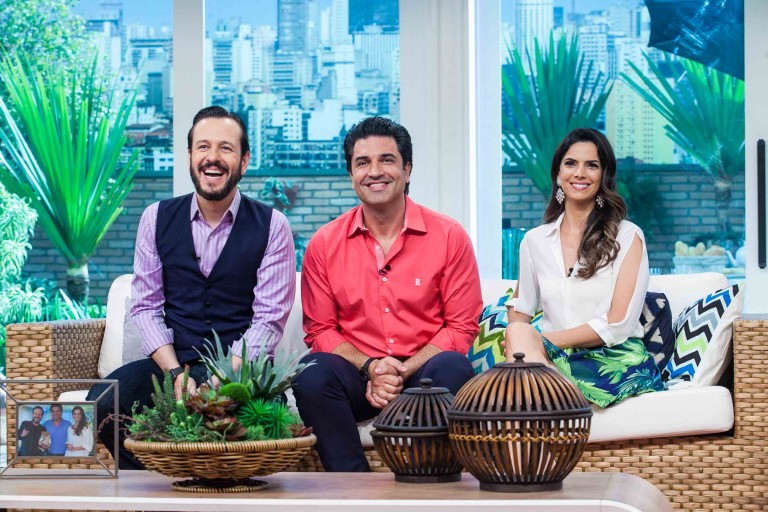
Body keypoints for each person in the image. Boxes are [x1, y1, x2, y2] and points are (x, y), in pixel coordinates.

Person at [87, 106, 296, 469]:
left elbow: (269, 320)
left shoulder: (273, 225)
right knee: (103, 402)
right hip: (173, 366)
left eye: (226, 148)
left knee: (261, 421)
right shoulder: (155, 218)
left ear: (244, 161)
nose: (212, 157)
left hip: (240, 373)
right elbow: (146, 308)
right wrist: (173, 373)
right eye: (203, 147)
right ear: (189, 156)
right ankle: (156, 486)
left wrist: (222, 379)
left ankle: (228, 490)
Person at [295, 116, 483, 471]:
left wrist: (401, 370)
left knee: (455, 366)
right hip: (358, 377)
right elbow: (320, 331)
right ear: (351, 174)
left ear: (407, 170)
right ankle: (353, 487)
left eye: (387, 160)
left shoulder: (449, 236)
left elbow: (461, 327)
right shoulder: (324, 243)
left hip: (425, 375)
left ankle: (426, 479)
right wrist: (372, 368)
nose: (374, 172)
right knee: (312, 372)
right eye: (362, 162)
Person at [503, 128, 664, 408]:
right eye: (570, 163)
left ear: (604, 176)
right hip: (554, 362)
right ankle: (551, 395)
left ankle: (545, 400)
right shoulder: (534, 241)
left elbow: (618, 324)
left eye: (592, 165)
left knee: (520, 382)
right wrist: (521, 339)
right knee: (517, 333)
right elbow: (521, 309)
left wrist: (543, 341)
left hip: (613, 361)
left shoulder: (627, 236)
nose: (580, 173)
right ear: (558, 174)